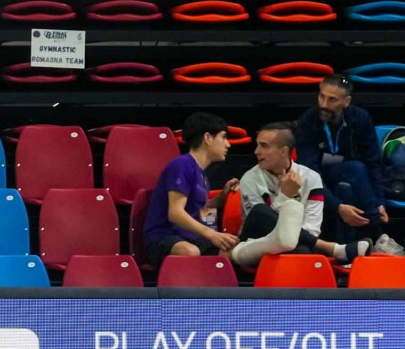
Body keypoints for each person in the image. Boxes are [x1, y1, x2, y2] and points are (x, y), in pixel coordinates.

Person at [230, 122, 369, 268]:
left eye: (264, 146)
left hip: (298, 243)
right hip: (256, 241)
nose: (256, 151)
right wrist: (285, 196)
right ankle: (331, 248)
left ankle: (330, 253)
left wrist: (293, 235)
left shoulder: (311, 178)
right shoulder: (250, 179)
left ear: (283, 151)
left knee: (302, 252)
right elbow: (259, 222)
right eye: (257, 145)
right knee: (260, 211)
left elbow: (312, 228)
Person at [296, 75, 389, 243]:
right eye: (321, 96)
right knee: (356, 167)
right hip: (318, 172)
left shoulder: (360, 118)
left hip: (342, 169)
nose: (324, 104)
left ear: (346, 102)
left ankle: (348, 251)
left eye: (332, 99)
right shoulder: (307, 121)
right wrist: (337, 206)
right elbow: (309, 169)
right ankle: (378, 233)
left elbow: (374, 162)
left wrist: (380, 201)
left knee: (344, 188)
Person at [144, 112, 240, 266]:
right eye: (223, 137)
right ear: (208, 138)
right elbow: (175, 213)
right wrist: (212, 234)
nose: (228, 144)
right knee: (190, 251)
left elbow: (200, 207)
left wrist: (223, 196)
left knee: (235, 252)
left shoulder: (201, 173)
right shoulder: (181, 165)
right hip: (163, 238)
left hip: (190, 237)